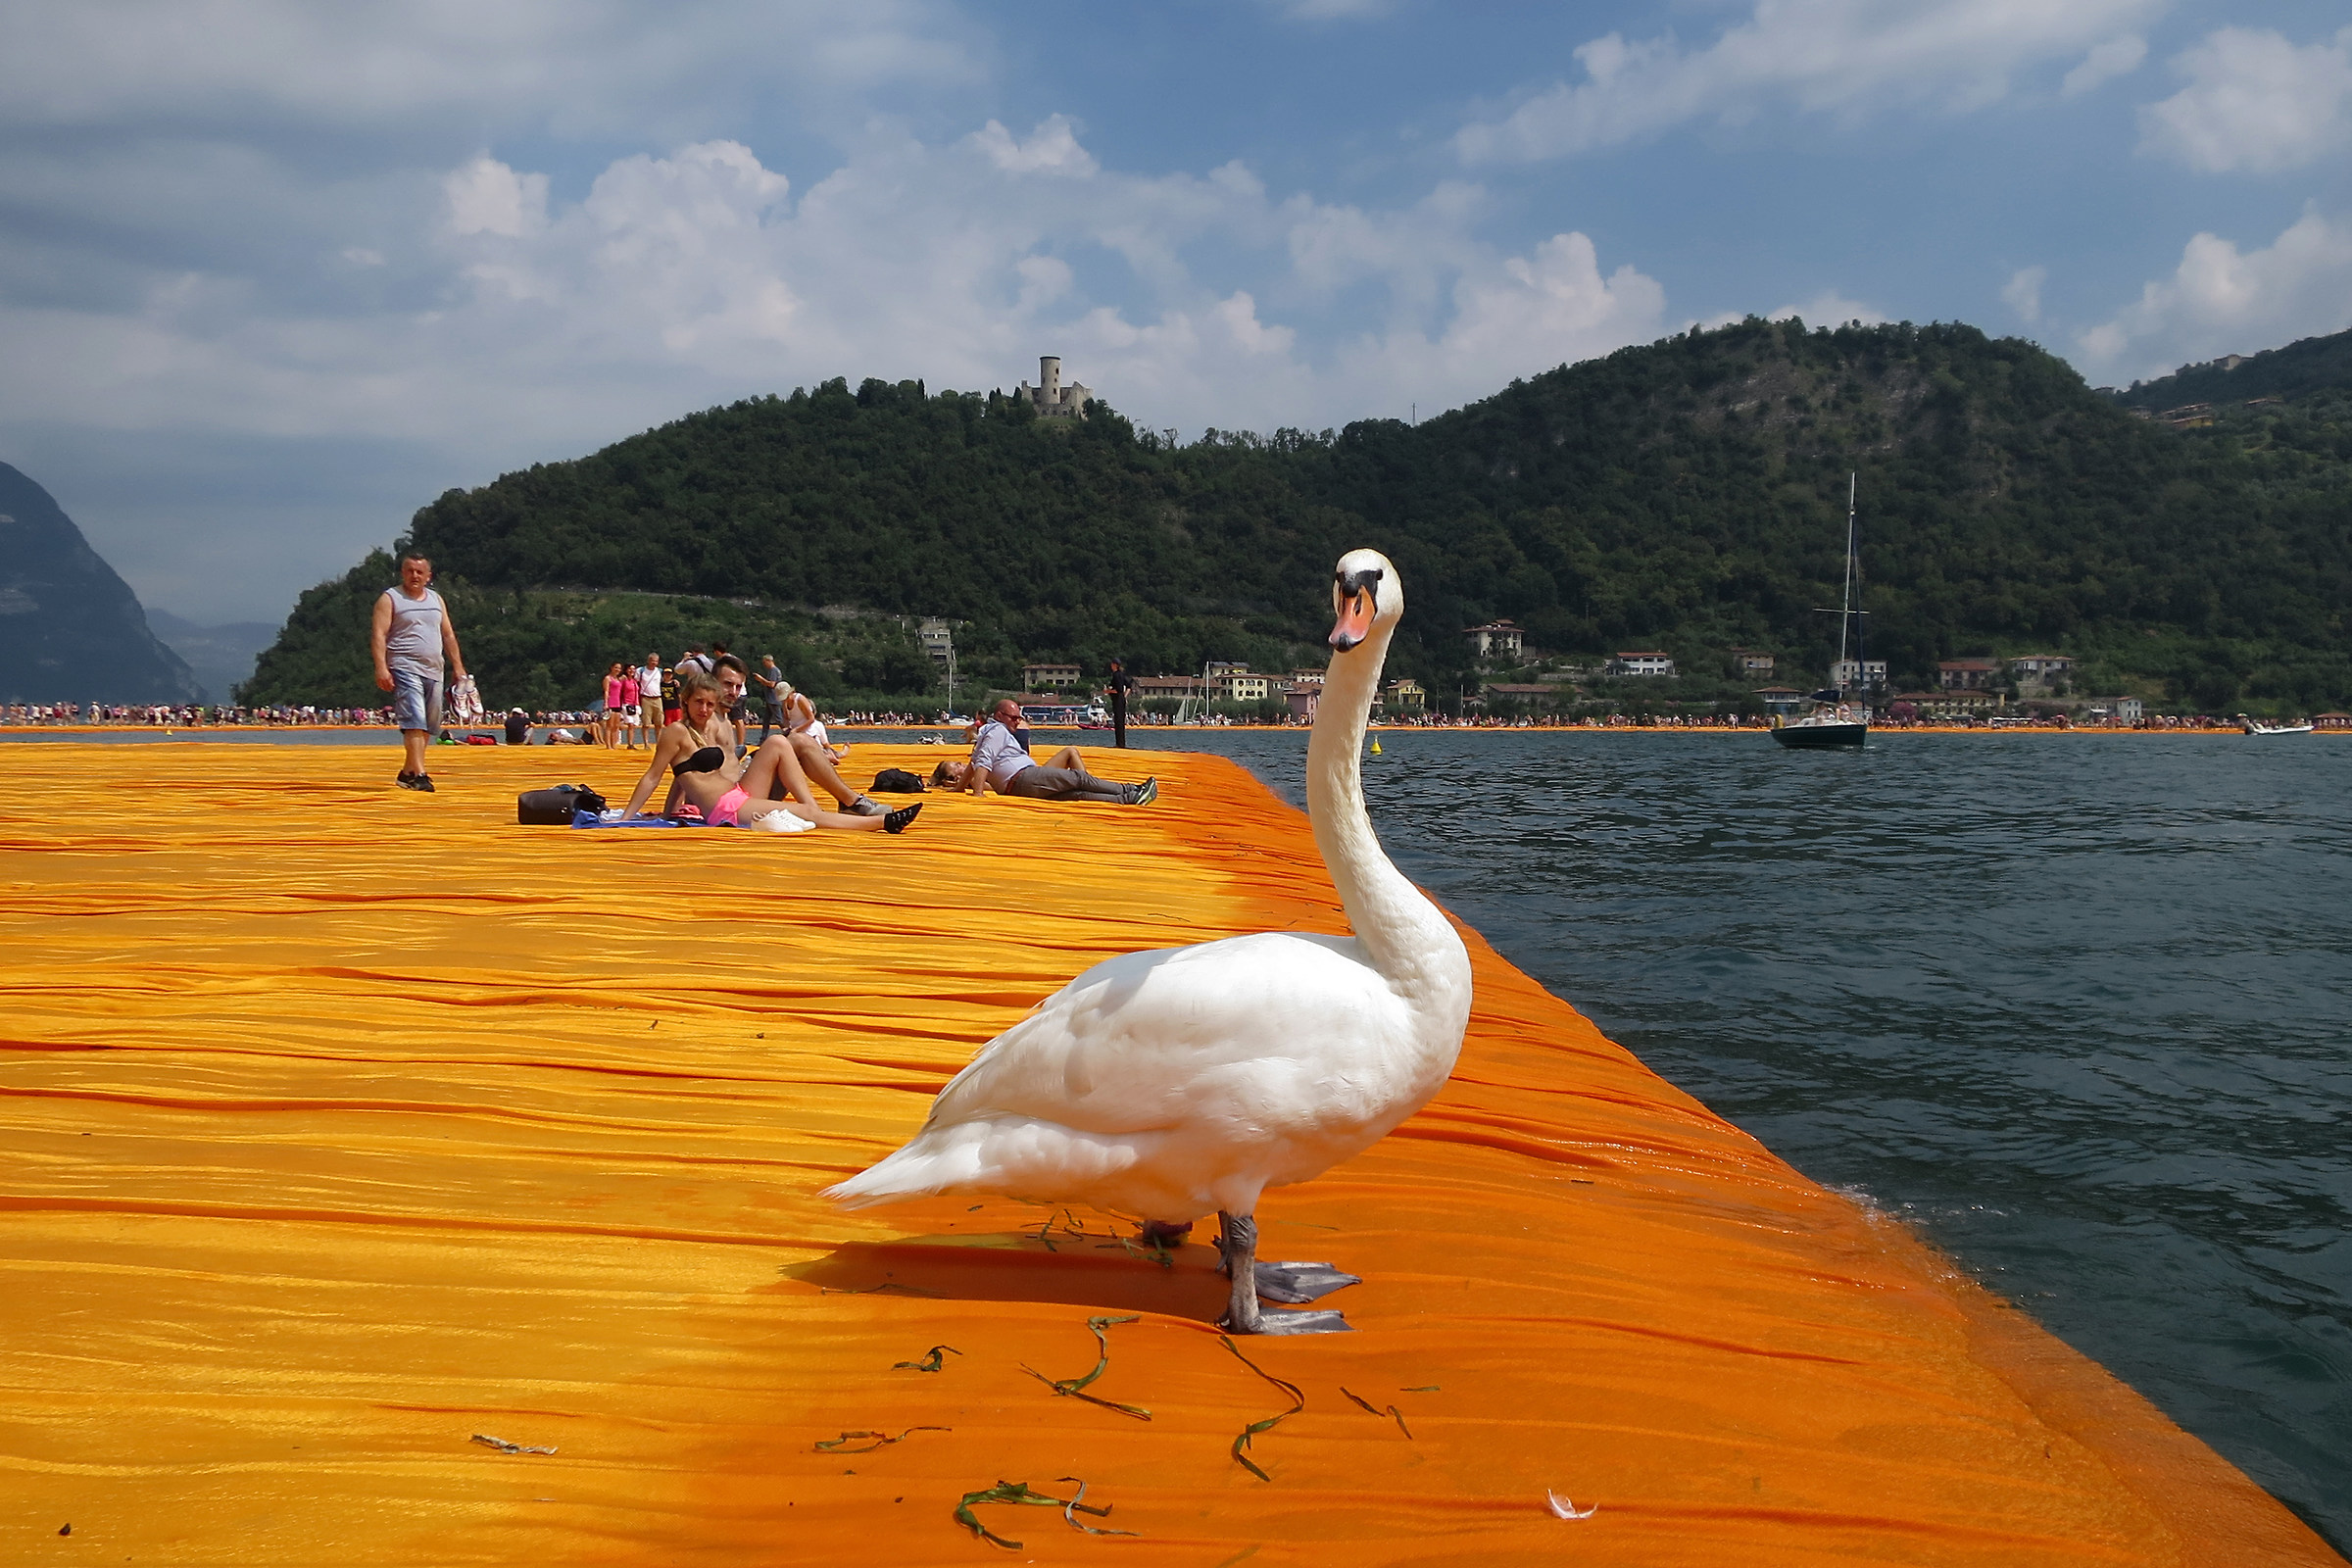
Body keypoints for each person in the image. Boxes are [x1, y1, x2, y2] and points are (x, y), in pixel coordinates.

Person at [619, 670, 917, 833]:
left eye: (710, 704)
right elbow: (654, 777)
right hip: (724, 809)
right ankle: (877, 823)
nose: (705, 709)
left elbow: (685, 776)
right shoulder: (676, 732)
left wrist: (669, 813)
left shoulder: (709, 727)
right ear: (685, 700)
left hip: (738, 793)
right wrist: (626, 818)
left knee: (777, 742)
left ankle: (813, 806)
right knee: (804, 813)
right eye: (699, 702)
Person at [710, 655, 887, 815]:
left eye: (738, 686)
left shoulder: (723, 717)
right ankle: (836, 804)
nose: (734, 692)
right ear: (712, 683)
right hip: (734, 800)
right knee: (787, 742)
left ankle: (845, 801)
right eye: (727, 684)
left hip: (744, 789)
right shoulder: (707, 720)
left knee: (796, 741)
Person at [933, 698, 1155, 804]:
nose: (1017, 721)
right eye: (1014, 718)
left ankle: (1127, 799)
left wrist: (959, 789)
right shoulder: (997, 730)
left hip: (1018, 784)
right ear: (999, 716)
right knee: (1078, 779)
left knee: (1076, 795)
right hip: (1024, 777)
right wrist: (978, 794)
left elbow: (974, 763)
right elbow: (982, 761)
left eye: (1019, 717)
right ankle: (1132, 789)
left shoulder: (989, 733)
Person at [370, 551, 467, 792]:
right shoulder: (390, 598)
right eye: (410, 571)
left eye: (419, 572)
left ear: (428, 576)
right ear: (402, 573)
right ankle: (420, 774)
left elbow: (448, 634)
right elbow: (379, 634)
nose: (414, 576)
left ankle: (407, 772)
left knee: (429, 724)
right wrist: (381, 667)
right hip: (404, 665)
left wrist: (458, 666)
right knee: (414, 719)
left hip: (434, 668)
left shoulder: (436, 600)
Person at [757, 655, 790, 742]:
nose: (764, 665)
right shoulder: (775, 671)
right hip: (771, 699)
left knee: (778, 719)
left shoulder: (773, 670)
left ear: (769, 661)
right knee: (766, 720)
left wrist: (761, 679)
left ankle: (789, 734)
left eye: (764, 662)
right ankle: (763, 739)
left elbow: (772, 684)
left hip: (773, 698)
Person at [1105, 658, 1134, 748]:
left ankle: (1120, 743)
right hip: (1121, 698)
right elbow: (1129, 686)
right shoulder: (1122, 674)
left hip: (1117, 699)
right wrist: (1124, 696)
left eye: (1112, 664)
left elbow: (1118, 689)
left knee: (1118, 721)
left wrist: (1108, 691)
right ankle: (1121, 743)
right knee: (1120, 721)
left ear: (1115, 665)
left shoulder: (1116, 675)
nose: (1111, 666)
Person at [600, 662, 627, 748]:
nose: (617, 670)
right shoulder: (608, 678)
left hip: (618, 703)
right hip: (611, 703)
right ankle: (608, 745)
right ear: (611, 668)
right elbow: (606, 691)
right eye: (616, 668)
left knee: (616, 726)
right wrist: (606, 703)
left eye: (619, 668)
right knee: (609, 726)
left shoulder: (618, 679)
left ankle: (614, 744)